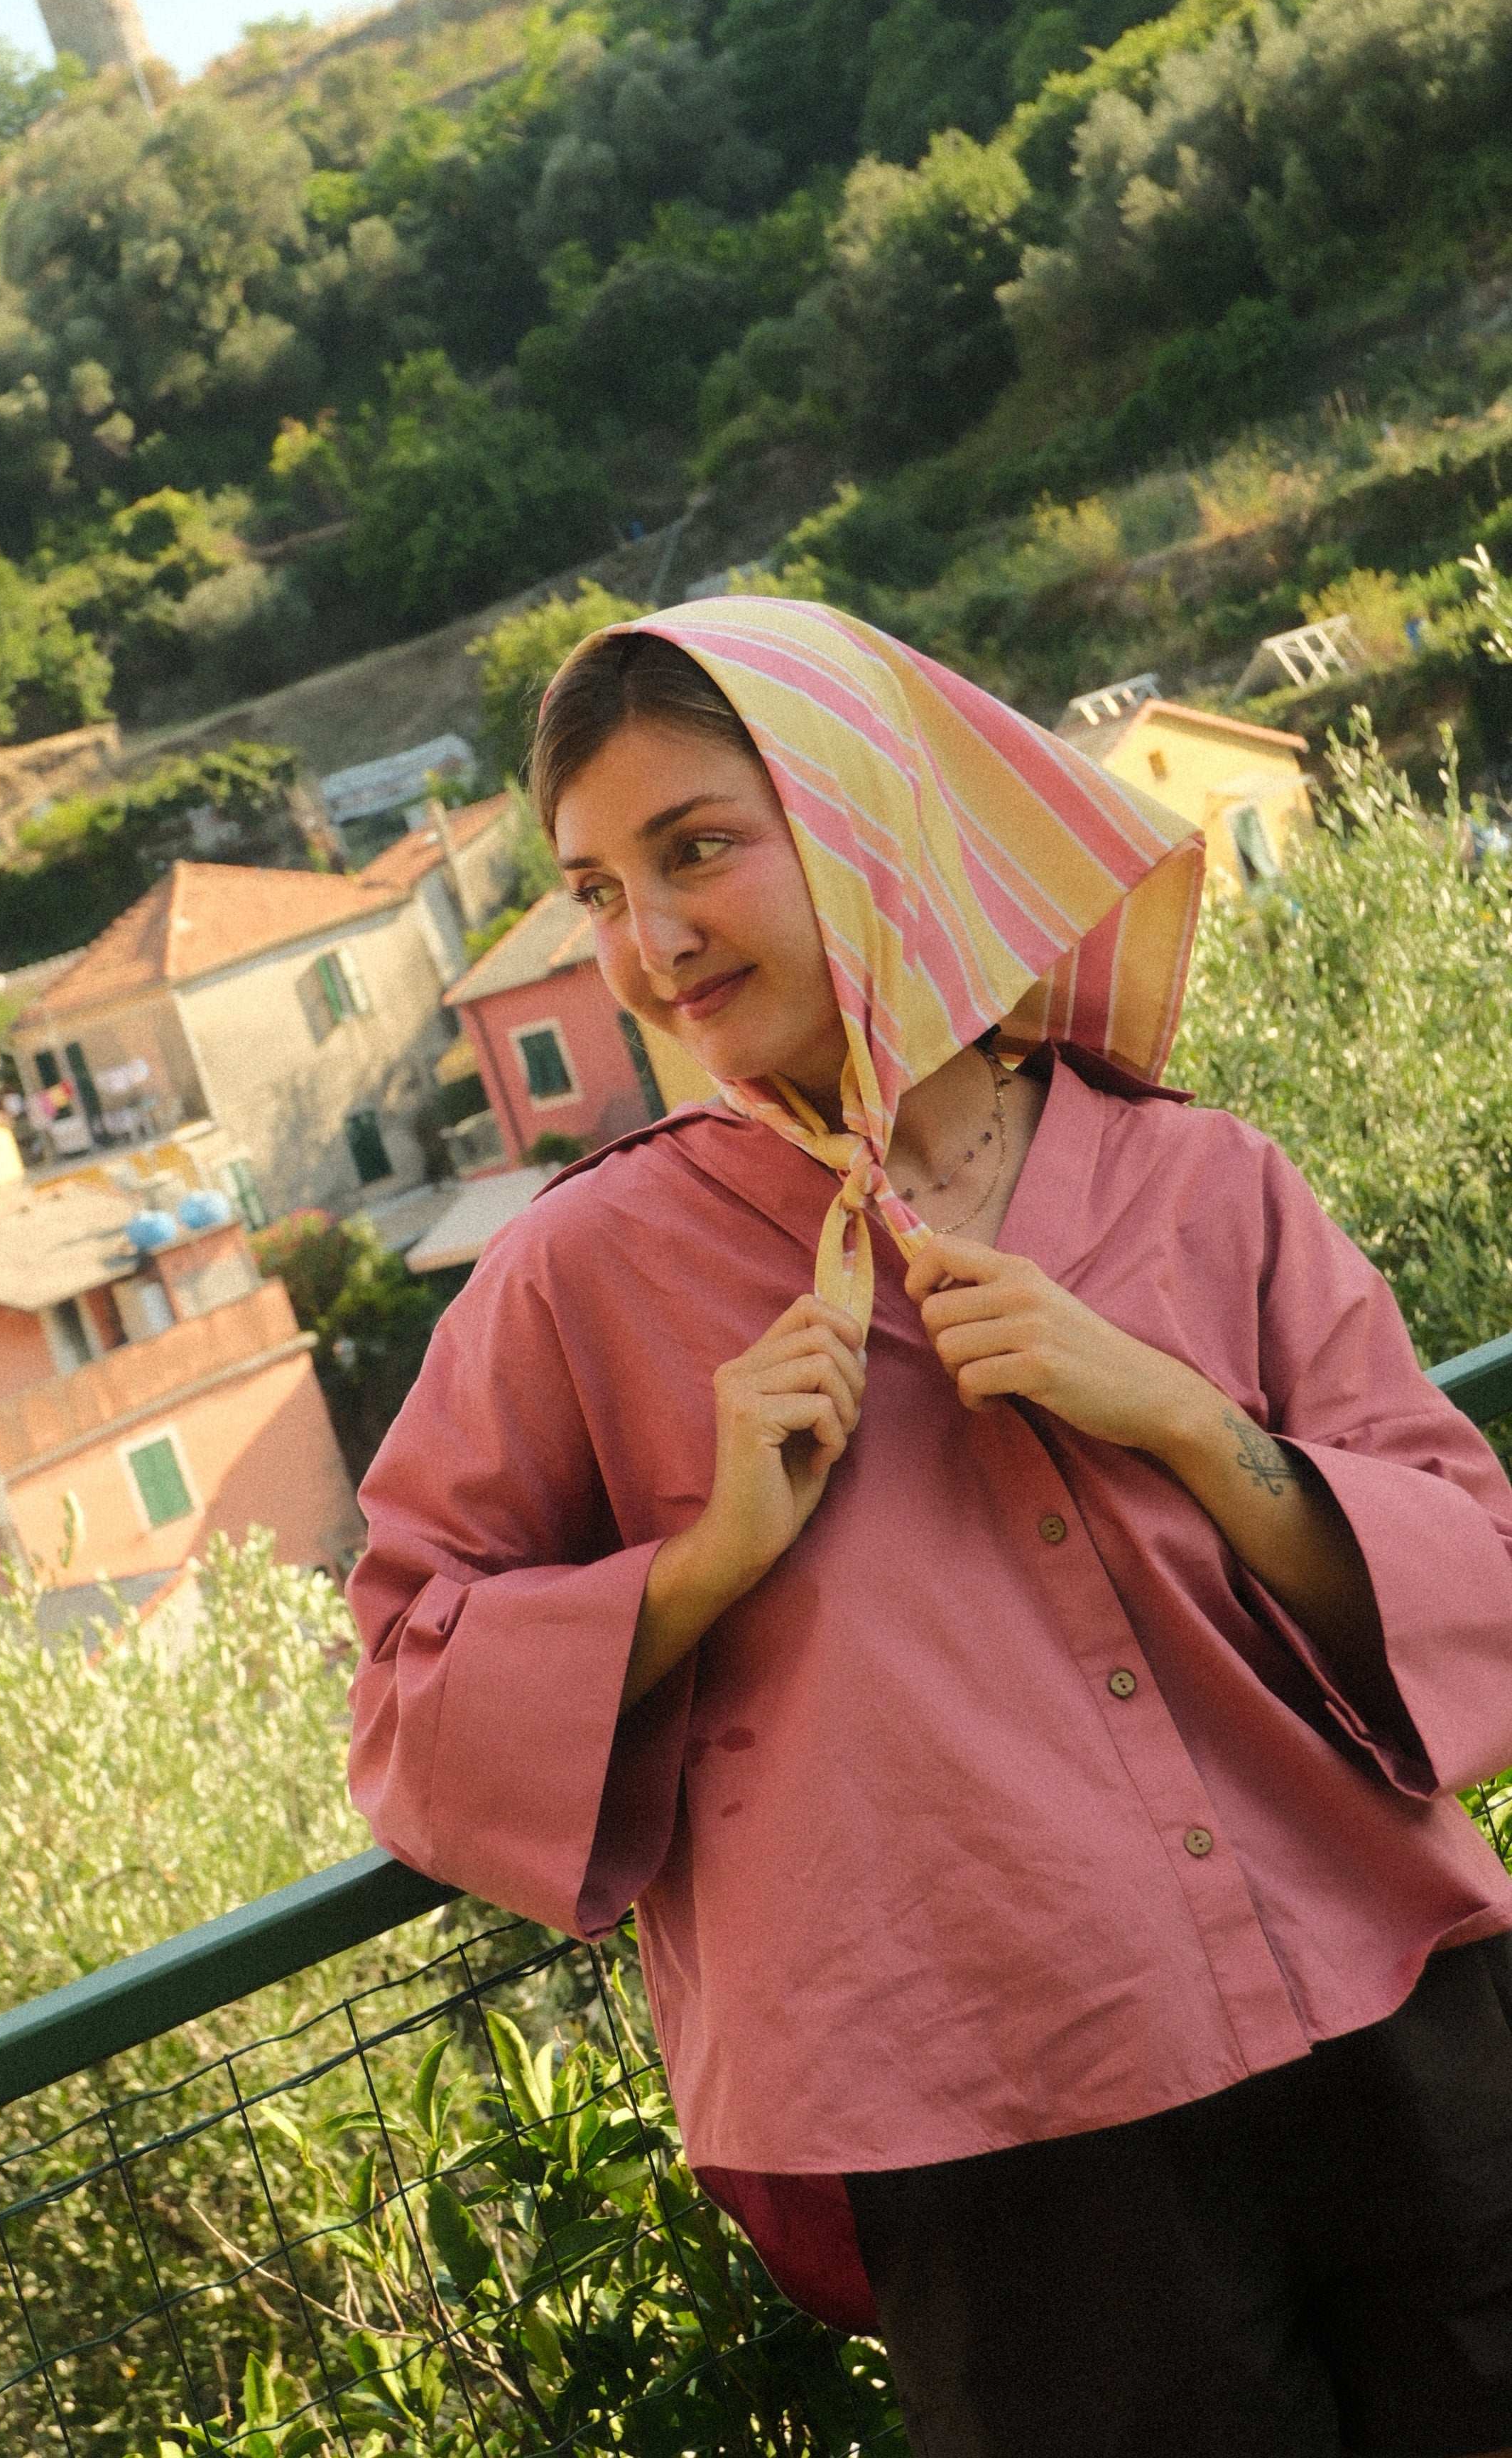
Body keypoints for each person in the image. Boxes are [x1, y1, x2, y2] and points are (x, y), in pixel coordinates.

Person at [343, 595, 1512, 2458]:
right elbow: (408, 1702)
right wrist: (709, 1555)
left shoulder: (1197, 1181)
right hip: (1014, 2167)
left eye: (700, 849)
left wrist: (1184, 1420)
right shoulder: (580, 1283)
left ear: (866, 820)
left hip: (1419, 2053)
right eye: (596, 892)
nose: (648, 942)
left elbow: (1482, 1573)